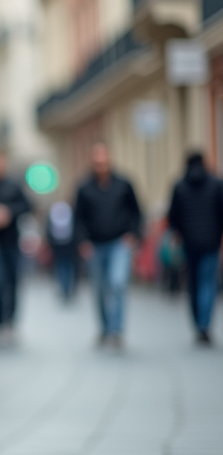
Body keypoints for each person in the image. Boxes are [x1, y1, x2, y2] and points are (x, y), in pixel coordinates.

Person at [73, 143, 142, 348]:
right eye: (97, 160)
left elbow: (137, 212)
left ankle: (116, 330)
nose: (100, 164)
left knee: (118, 283)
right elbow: (78, 218)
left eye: (103, 159)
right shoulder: (84, 187)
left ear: (109, 159)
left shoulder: (124, 184)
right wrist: (82, 241)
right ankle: (104, 328)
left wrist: (133, 234)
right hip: (95, 245)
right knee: (100, 289)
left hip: (119, 242)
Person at [166, 152, 223, 346]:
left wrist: (177, 233)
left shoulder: (180, 186)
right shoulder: (216, 184)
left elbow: (173, 215)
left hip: (189, 243)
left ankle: (197, 323)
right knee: (208, 283)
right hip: (211, 242)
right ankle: (205, 325)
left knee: (193, 283)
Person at [0, 151, 31, 340]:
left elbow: (28, 206)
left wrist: (8, 212)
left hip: (11, 242)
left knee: (12, 282)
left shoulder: (13, 184)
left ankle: (10, 321)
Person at [46, 199, 78, 302]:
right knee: (63, 266)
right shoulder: (67, 212)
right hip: (60, 245)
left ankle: (66, 287)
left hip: (66, 245)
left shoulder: (67, 212)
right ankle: (65, 287)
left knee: (65, 266)